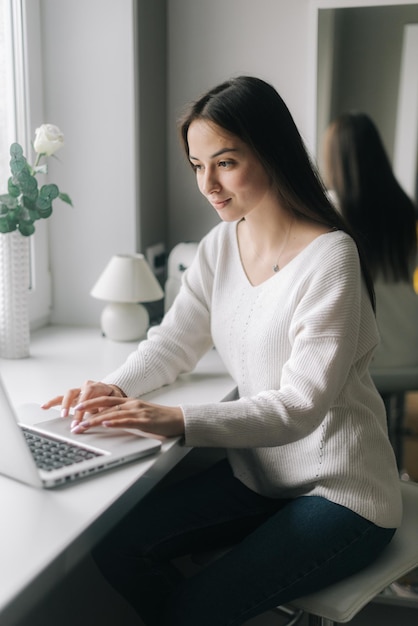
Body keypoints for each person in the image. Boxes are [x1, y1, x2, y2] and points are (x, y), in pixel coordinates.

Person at [42, 77, 402, 626]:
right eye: (196, 165)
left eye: (226, 162)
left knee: (194, 611)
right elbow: (174, 341)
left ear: (271, 152)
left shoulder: (332, 257)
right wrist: (115, 387)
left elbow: (300, 406)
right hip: (260, 477)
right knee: (116, 547)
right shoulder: (219, 244)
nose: (207, 183)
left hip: (341, 493)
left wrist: (176, 420)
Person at [322, 111, 418, 370]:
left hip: (362, 351)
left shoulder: (329, 211)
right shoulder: (405, 208)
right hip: (409, 343)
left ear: (333, 159)